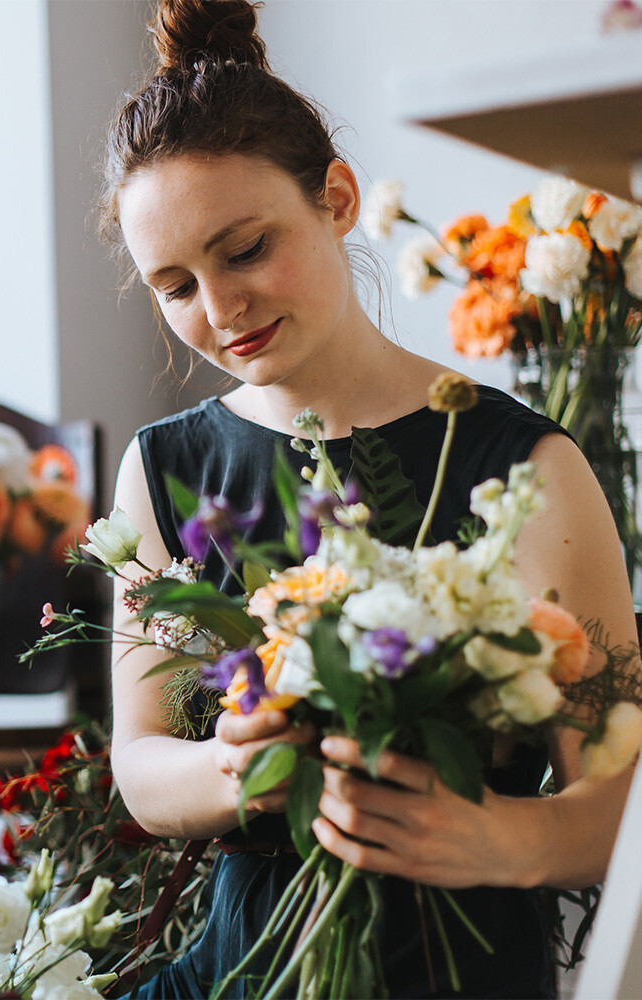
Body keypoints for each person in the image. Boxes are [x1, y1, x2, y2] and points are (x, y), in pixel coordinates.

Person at [100, 1, 639, 997]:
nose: (221, 312)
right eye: (175, 284)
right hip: (240, 974)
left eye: (246, 249)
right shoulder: (163, 467)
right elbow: (140, 767)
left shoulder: (529, 464)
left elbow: (626, 798)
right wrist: (233, 762)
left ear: (339, 199)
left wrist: (503, 838)